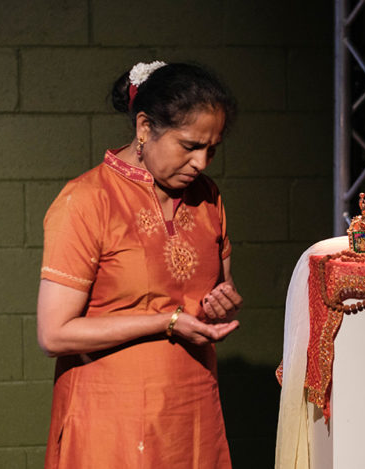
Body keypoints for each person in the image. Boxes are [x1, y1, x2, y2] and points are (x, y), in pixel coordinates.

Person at [36, 60, 242, 469]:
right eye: (189, 146)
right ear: (145, 128)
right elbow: (54, 334)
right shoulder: (88, 200)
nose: (202, 162)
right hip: (111, 420)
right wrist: (166, 320)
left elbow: (223, 288)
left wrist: (225, 303)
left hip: (191, 414)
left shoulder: (208, 198)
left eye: (211, 149)